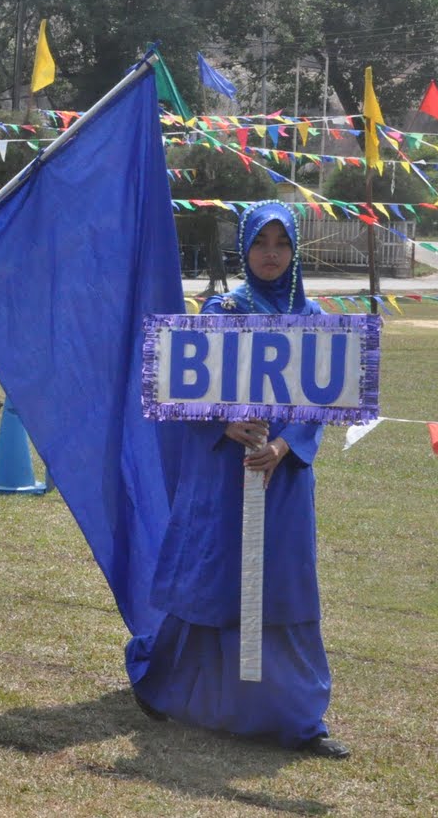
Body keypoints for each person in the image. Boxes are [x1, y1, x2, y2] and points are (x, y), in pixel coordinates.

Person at [128, 201, 349, 759]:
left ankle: (297, 716)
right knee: (216, 576)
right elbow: (178, 387)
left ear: (295, 252)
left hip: (284, 480)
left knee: (281, 582)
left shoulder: (315, 319)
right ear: (245, 249)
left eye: (281, 244)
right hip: (221, 477)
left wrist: (283, 445)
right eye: (260, 243)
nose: (270, 254)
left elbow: (319, 403)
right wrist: (223, 421)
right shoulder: (221, 310)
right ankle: (173, 688)